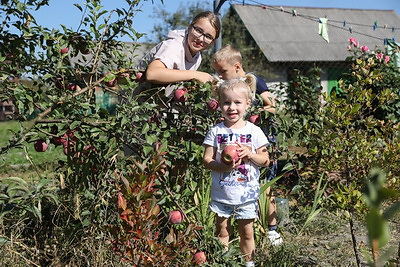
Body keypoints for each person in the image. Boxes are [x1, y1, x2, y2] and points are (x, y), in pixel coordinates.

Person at [212, 44, 283, 246]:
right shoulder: (226, 88)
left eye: (222, 71)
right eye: (217, 71)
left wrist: (255, 119)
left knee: (265, 185)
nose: (219, 75)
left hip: (258, 139)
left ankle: (272, 229)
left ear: (236, 66)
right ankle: (236, 233)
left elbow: (272, 106)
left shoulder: (255, 82)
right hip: (234, 142)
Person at [203, 76, 270, 267]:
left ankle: (249, 264)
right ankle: (222, 262)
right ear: (219, 105)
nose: (231, 108)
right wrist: (222, 166)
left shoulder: (254, 131)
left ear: (247, 104)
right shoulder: (216, 131)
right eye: (226, 103)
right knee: (222, 231)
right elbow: (207, 160)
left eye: (237, 102)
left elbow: (265, 160)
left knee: (247, 232)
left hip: (246, 196)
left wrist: (249, 154)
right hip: (222, 194)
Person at [137, 11, 220, 86]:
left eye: (208, 37)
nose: (201, 39)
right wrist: (196, 74)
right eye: (198, 30)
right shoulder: (174, 46)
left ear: (213, 42)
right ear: (189, 27)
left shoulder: (197, 56)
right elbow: (152, 74)